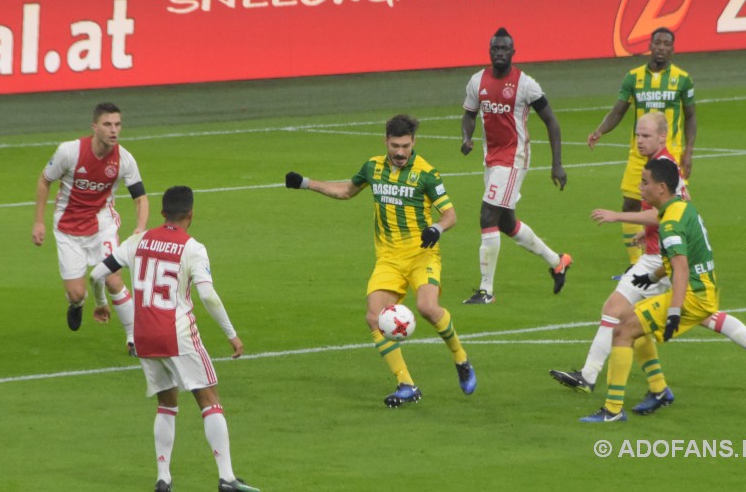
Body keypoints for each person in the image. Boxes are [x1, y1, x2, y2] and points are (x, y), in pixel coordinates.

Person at [549, 114, 746, 407]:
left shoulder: (665, 168)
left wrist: (618, 216)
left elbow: (673, 211)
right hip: (658, 254)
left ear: (662, 137)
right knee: (685, 317)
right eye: (637, 135)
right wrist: (644, 234)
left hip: (661, 258)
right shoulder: (659, 166)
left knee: (621, 314)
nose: (639, 141)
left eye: (645, 136)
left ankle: (593, 378)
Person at [285, 114, 477, 407]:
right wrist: (305, 183)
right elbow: (347, 191)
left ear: (414, 142)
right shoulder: (373, 167)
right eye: (395, 145)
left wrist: (436, 228)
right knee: (374, 317)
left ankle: (460, 358)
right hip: (388, 259)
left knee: (427, 308)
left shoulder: (426, 173)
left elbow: (450, 215)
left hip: (421, 254)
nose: (400, 152)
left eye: (406, 146)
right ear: (386, 141)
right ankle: (406, 385)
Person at [89, 186, 261, 492]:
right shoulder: (193, 247)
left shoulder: (138, 240)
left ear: (162, 212)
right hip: (178, 334)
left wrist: (101, 302)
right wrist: (231, 335)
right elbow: (207, 294)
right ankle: (227, 478)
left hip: (143, 337)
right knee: (209, 400)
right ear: (191, 214)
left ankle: (163, 478)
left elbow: (96, 274)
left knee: (166, 404)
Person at [460, 27, 571, 304]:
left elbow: (551, 122)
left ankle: (486, 291)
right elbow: (469, 115)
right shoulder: (477, 81)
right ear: (490, 51)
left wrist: (557, 164)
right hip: (491, 158)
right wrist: (466, 137)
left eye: (504, 49)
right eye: (495, 49)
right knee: (506, 222)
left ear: (513, 52)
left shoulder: (525, 84)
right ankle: (558, 261)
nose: (499, 53)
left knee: (487, 216)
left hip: (514, 158)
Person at [32, 102, 148, 354]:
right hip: (68, 229)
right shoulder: (69, 152)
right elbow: (45, 180)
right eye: (107, 124)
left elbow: (141, 197)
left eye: (117, 124)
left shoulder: (124, 159)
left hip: (102, 226)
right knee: (76, 293)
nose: (113, 130)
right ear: (95, 127)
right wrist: (39, 221)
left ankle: (133, 338)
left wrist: (140, 227)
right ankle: (77, 305)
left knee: (113, 278)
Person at [587, 27, 696, 269]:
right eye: (658, 43)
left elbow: (690, 116)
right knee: (630, 204)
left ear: (672, 48)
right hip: (639, 155)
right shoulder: (633, 77)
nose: (662, 48)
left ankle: (677, 257)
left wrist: (688, 151)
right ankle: (636, 263)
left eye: (667, 44)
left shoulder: (682, 79)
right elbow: (618, 110)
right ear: (650, 44)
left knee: (674, 207)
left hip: (670, 156)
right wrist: (600, 131)